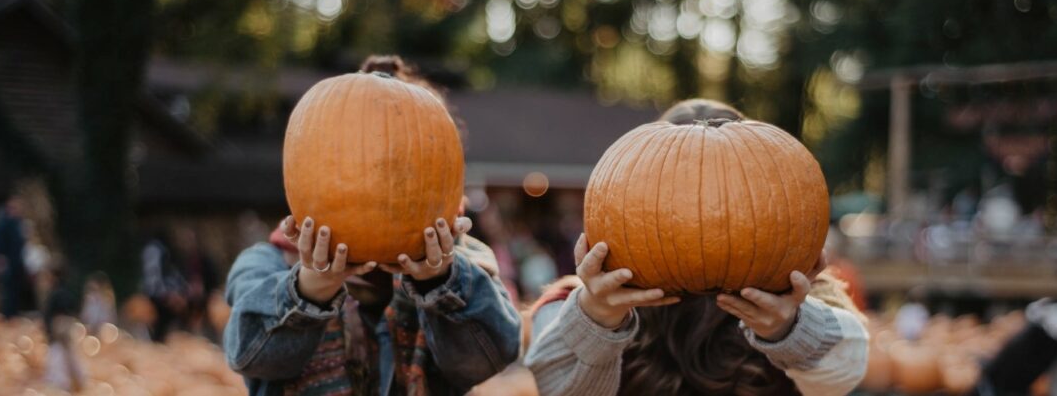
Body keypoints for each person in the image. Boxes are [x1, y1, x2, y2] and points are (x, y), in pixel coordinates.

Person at [524, 99, 869, 396]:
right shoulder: (567, 308)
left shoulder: (797, 303)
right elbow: (556, 388)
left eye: (729, 194)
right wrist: (596, 319)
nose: (701, 214)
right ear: (634, 197)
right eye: (677, 192)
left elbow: (844, 378)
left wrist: (788, 329)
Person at [223, 55, 520, 396]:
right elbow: (248, 355)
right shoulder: (267, 264)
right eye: (358, 163)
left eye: (411, 168)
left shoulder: (465, 269)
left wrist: (439, 281)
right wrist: (310, 290)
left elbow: (490, 357)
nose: (382, 186)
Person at [0, 194, 33, 317]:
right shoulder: (3, 224)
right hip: (7, 262)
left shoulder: (20, 223)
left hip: (17, 261)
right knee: (7, 290)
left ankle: (14, 313)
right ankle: (7, 315)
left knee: (16, 289)